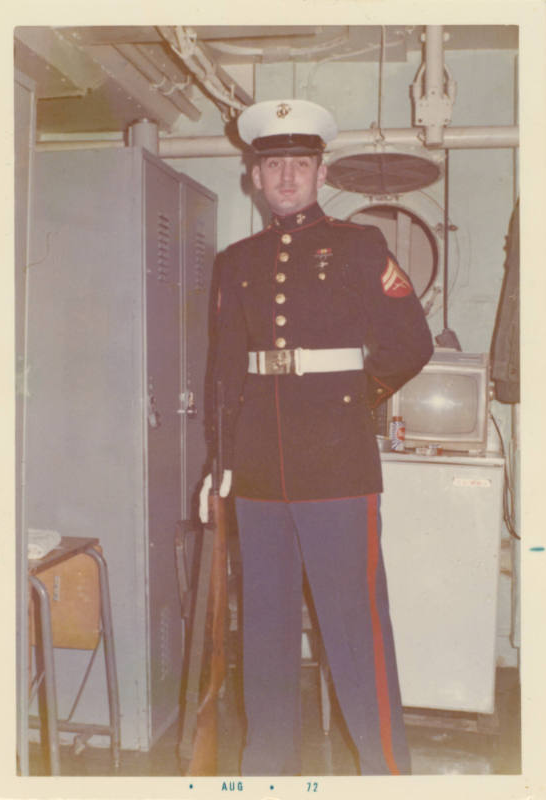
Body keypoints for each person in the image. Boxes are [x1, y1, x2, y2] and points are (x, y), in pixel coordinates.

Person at [199, 98, 433, 776]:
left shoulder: (359, 245)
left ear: (320, 172)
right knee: (265, 632)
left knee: (353, 629)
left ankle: (385, 774)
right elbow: (224, 370)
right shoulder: (235, 261)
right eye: (273, 166)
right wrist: (219, 462)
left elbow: (407, 343)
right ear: (253, 176)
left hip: (336, 465)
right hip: (257, 471)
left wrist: (346, 405)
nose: (286, 178)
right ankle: (267, 772)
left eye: (299, 165)